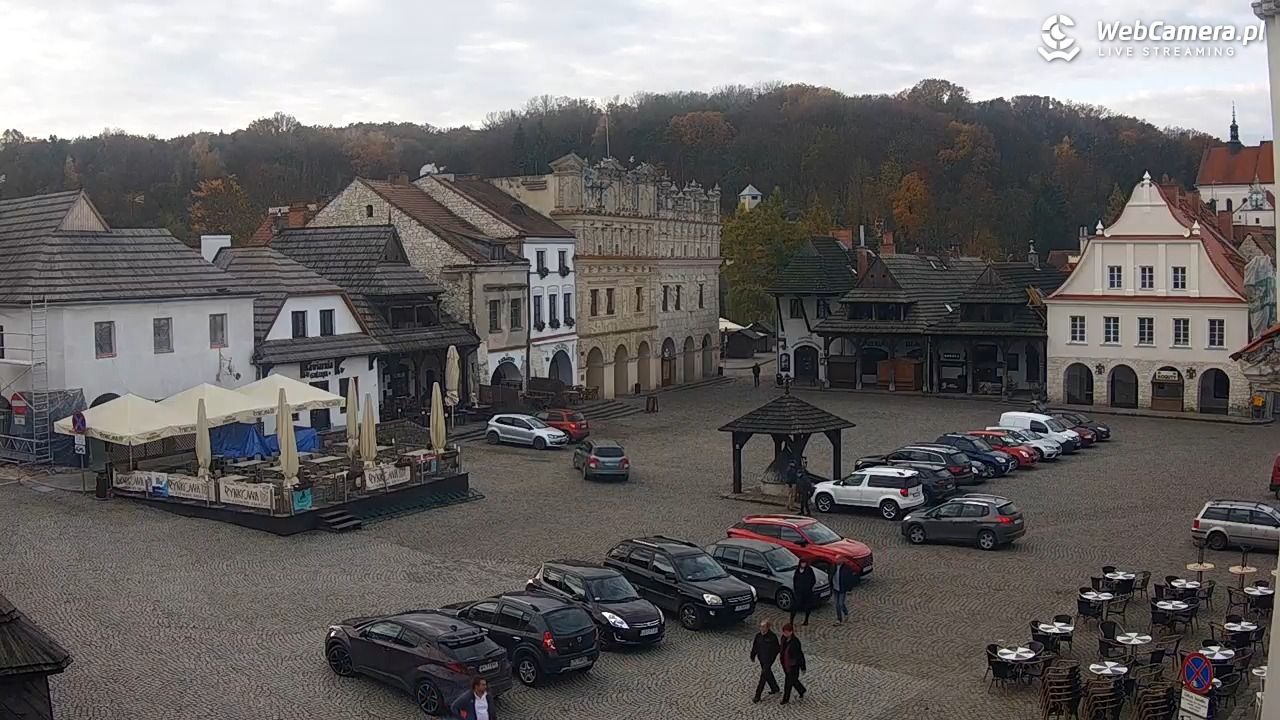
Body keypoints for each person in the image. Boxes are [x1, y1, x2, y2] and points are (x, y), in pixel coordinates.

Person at [749, 619, 780, 702]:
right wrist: (753, 655)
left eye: (763, 627)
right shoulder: (758, 636)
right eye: (760, 626)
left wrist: (771, 657)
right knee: (767, 673)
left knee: (763, 676)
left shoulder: (772, 637)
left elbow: (777, 649)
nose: (761, 628)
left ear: (767, 627)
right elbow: (755, 646)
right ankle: (775, 687)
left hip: (768, 660)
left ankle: (757, 695)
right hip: (761, 658)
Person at [779, 623, 807, 704]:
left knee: (788, 682)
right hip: (785, 664)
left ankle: (786, 698)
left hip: (793, 666)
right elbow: (782, 649)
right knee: (793, 680)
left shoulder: (795, 642)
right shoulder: (783, 639)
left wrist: (803, 667)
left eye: (787, 632)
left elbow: (800, 655)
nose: (785, 634)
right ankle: (801, 690)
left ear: (791, 632)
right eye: (784, 632)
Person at [790, 559, 815, 626]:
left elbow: (813, 580)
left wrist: (808, 587)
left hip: (807, 593)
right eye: (802, 563)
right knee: (795, 606)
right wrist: (796, 588)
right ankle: (791, 621)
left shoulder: (809, 570)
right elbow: (795, 579)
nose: (803, 564)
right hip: (798, 592)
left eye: (804, 563)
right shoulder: (797, 570)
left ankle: (806, 620)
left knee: (807, 606)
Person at [832, 559, 856, 624]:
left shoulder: (846, 568)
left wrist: (849, 589)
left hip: (842, 589)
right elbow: (831, 575)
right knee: (837, 605)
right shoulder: (833, 567)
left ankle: (846, 613)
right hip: (835, 588)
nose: (837, 562)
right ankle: (839, 619)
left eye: (838, 560)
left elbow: (849, 579)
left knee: (841, 604)